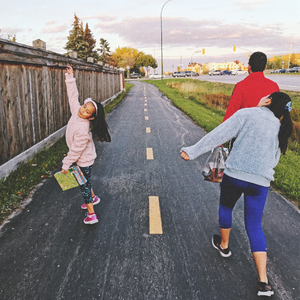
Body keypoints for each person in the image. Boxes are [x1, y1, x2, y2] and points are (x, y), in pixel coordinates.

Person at [180, 92, 293, 297]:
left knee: (226, 208)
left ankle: (224, 246)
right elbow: (274, 160)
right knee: (254, 225)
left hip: (234, 176)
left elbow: (219, 135)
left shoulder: (247, 114)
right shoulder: (280, 127)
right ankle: (264, 282)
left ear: (267, 101)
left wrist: (193, 150)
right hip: (260, 182)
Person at [62, 66, 111, 225]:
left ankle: (91, 214)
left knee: (83, 186)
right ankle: (94, 198)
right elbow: (72, 96)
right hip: (80, 160)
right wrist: (70, 78)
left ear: (90, 118)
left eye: (87, 112)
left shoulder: (83, 129)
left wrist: (67, 163)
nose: (82, 111)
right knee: (86, 182)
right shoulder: (77, 110)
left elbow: (76, 150)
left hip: (83, 161)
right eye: (84, 107)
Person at [223, 52, 279, 122]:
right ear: (265, 67)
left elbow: (231, 114)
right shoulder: (274, 86)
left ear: (249, 67)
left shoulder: (241, 86)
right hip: (267, 130)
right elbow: (277, 113)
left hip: (246, 130)